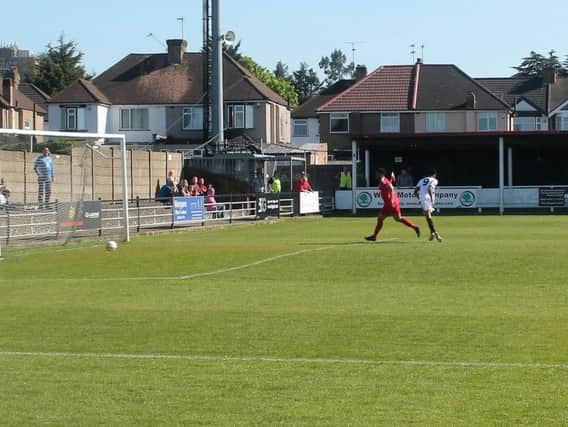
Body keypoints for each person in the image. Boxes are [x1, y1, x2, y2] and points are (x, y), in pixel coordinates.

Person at [365, 168, 420, 242]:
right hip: (389, 203)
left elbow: (390, 188)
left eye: (377, 173)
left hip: (391, 203)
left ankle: (415, 227)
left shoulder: (383, 180)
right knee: (390, 218)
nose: (376, 174)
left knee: (393, 218)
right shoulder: (384, 180)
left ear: (380, 174)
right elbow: (389, 187)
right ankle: (374, 236)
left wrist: (391, 200)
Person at [414, 169, 442, 242]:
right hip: (428, 197)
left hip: (422, 197)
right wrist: (432, 199)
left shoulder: (421, 180)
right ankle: (436, 234)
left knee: (427, 216)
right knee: (428, 216)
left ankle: (432, 233)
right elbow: (430, 188)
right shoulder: (434, 180)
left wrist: (419, 199)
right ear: (434, 175)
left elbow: (415, 191)